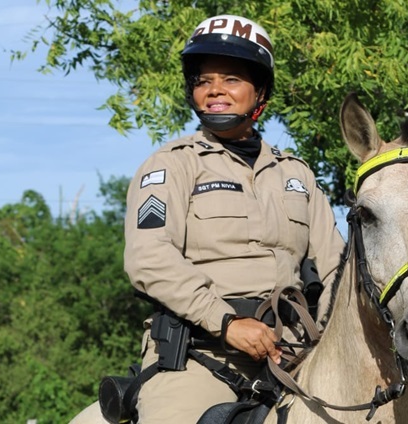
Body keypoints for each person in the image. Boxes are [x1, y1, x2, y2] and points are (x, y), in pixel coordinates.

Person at [119, 14, 345, 423]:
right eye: (204, 81)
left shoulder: (298, 174)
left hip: (296, 354)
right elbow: (148, 258)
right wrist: (226, 323)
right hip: (200, 354)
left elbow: (337, 270)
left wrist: (328, 341)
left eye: (231, 79)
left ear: (260, 91)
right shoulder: (171, 166)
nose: (215, 91)